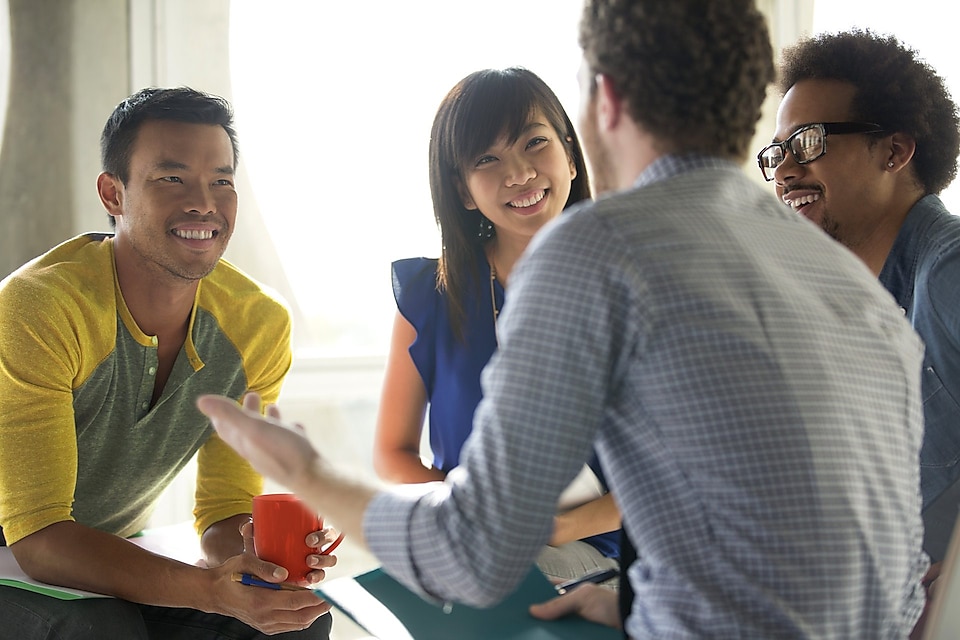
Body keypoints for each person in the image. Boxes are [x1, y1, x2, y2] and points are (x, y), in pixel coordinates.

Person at [198, 1, 929, 636]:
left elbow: (473, 556)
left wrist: (304, 471)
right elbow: (886, 580)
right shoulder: (855, 285)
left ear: (602, 104)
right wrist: (637, 609)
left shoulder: (598, 247)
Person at [0, 88, 333, 638]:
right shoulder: (40, 308)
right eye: (171, 178)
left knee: (290, 621)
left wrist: (255, 564)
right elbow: (38, 537)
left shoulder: (257, 324)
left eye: (221, 180)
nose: (204, 202)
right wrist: (208, 590)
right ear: (114, 193)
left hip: (104, 553)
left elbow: (226, 505)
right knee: (101, 631)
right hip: (21, 552)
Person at [373, 66, 620, 583]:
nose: (519, 173)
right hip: (476, 549)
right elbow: (392, 453)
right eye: (487, 159)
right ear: (463, 191)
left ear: (570, 155)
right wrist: (467, 517)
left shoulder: (632, 286)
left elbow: (675, 472)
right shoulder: (430, 296)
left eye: (534, 143)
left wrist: (553, 529)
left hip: (607, 557)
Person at [758, 29, 960, 563]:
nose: (783, 170)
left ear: (893, 151)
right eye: (778, 151)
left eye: (808, 142)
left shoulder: (947, 270)